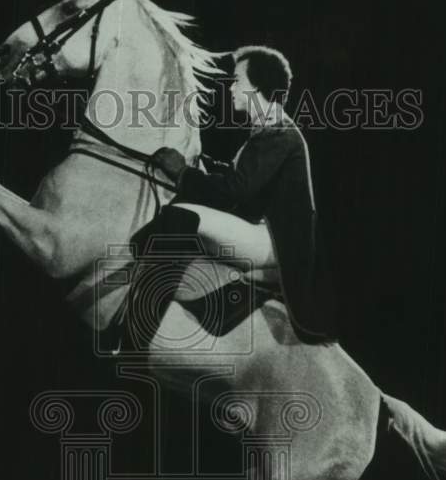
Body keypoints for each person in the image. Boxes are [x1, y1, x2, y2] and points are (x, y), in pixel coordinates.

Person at [117, 45, 337, 350]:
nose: (231, 88)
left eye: (236, 81)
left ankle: (135, 335)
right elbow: (244, 182)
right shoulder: (267, 131)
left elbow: (235, 191)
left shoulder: (280, 134)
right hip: (261, 231)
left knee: (183, 214)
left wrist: (182, 173)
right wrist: (203, 167)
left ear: (257, 86)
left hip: (275, 243)